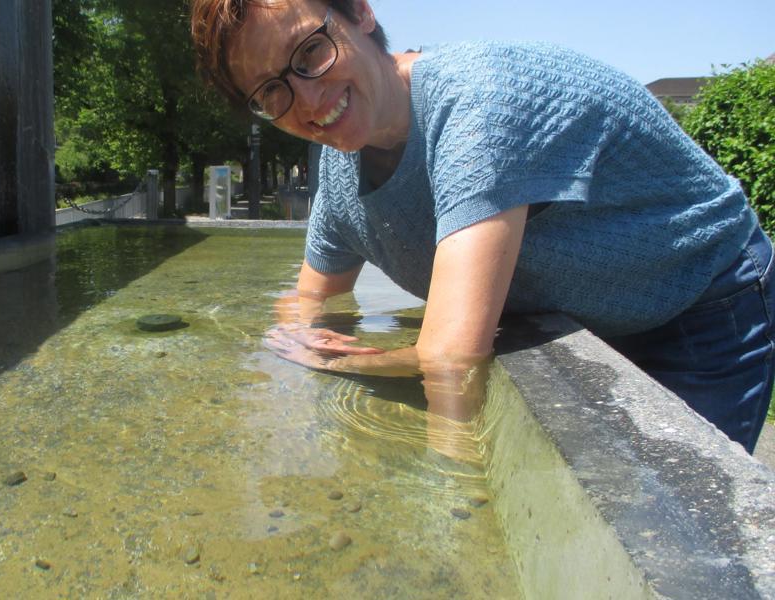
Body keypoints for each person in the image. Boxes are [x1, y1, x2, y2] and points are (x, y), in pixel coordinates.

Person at [189, 0, 774, 454]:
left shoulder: (477, 105)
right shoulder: (341, 165)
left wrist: (349, 362)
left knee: (670, 540)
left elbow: (451, 359)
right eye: (272, 91)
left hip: (703, 298)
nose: (308, 100)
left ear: (360, 13)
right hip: (595, 312)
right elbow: (309, 300)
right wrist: (273, 368)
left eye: (311, 53)